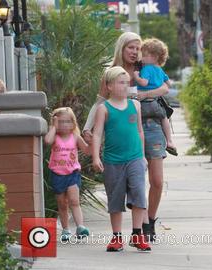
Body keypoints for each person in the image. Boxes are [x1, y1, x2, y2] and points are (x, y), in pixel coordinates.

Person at [84, 32, 169, 243]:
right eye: (130, 47)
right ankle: (135, 231)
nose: (134, 51)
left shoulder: (147, 68)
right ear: (121, 48)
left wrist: (145, 95)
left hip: (151, 126)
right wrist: (88, 127)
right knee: (133, 179)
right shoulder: (111, 73)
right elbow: (100, 101)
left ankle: (149, 222)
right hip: (123, 131)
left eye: (137, 47)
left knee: (157, 180)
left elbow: (165, 87)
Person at [92, 66, 150, 252]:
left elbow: (140, 132)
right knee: (115, 199)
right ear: (109, 86)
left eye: (127, 83)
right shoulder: (103, 108)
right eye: (120, 82)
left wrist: (142, 157)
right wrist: (95, 156)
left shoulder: (136, 105)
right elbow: (97, 134)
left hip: (135, 159)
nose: (125, 86)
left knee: (139, 195)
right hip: (113, 161)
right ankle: (117, 237)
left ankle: (137, 234)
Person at [44, 107, 90, 242]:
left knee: (74, 201)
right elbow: (47, 140)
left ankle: (80, 227)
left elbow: (87, 150)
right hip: (57, 174)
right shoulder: (55, 137)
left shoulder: (75, 136)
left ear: (73, 123)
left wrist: (92, 142)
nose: (64, 125)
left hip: (72, 173)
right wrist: (53, 126)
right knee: (62, 204)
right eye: (61, 122)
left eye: (68, 121)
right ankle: (65, 230)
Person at [133, 38, 177, 156]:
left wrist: (136, 77)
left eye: (144, 55)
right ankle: (170, 141)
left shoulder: (147, 68)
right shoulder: (160, 70)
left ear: (155, 57)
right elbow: (168, 85)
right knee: (164, 118)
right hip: (157, 103)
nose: (141, 58)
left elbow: (144, 83)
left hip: (145, 103)